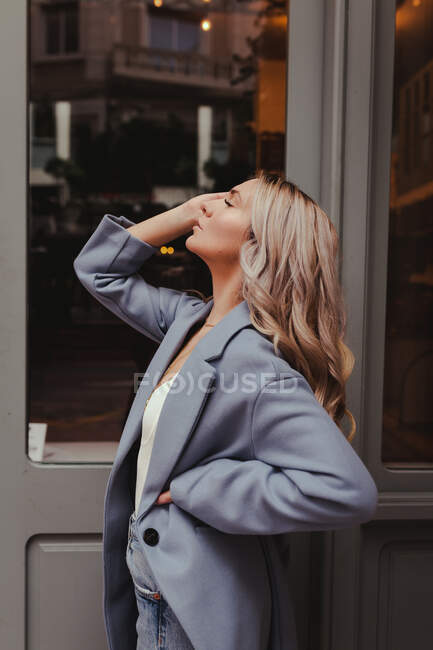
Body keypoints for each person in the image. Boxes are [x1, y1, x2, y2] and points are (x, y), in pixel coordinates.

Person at [73, 170, 378, 650]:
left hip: (189, 600)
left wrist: (204, 487)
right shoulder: (189, 320)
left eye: (228, 203)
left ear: (258, 244)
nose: (207, 206)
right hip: (156, 585)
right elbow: (98, 270)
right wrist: (184, 212)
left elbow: (347, 490)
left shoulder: (256, 360)